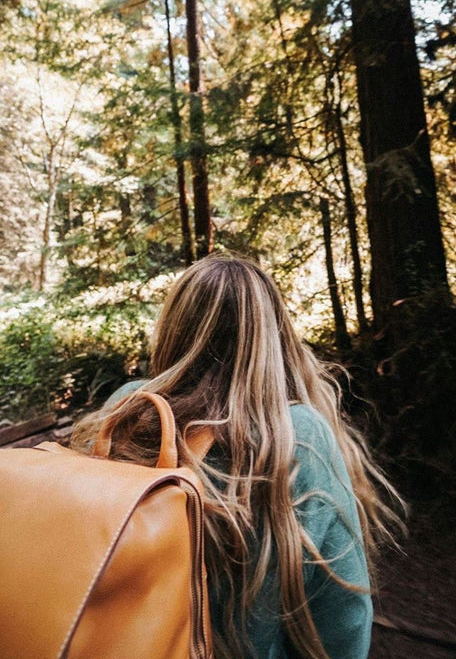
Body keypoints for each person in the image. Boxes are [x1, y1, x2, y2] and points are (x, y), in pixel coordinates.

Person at [71, 254, 402, 659]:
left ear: (176, 326)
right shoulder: (295, 434)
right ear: (272, 333)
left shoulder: (129, 407)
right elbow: (342, 616)